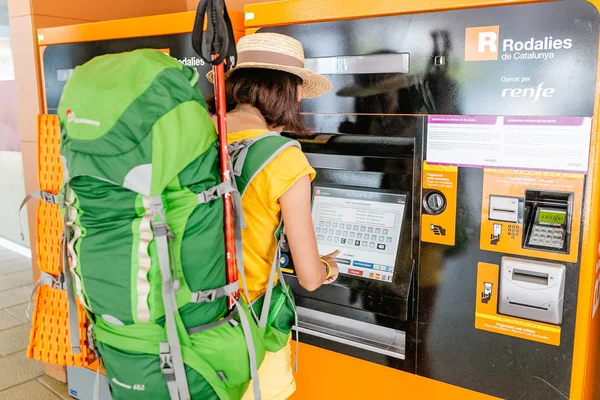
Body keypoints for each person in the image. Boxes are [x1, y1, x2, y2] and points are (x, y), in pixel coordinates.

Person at [207, 32, 340, 400]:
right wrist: (328, 268)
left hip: (190, 319)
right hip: (248, 326)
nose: (298, 100)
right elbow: (310, 277)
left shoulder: (200, 135)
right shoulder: (283, 158)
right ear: (285, 89)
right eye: (297, 90)